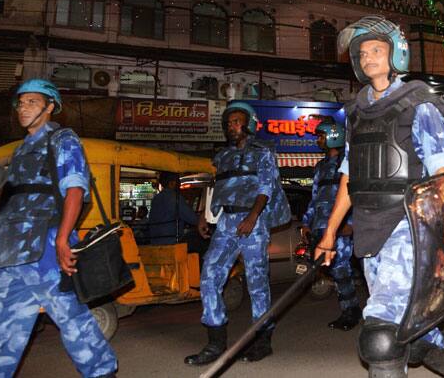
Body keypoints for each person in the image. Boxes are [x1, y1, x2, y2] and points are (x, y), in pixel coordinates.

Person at [315, 15, 444, 378]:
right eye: (361, 54)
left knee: (380, 334)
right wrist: (330, 232)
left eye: (377, 50)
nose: (368, 58)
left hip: (409, 225)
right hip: (368, 227)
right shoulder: (356, 113)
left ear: (396, 55)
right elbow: (349, 176)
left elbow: (440, 169)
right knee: (405, 320)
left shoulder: (418, 102)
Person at [0, 79, 118, 377]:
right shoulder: (18, 152)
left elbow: (75, 191)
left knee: (72, 319)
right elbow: (8, 204)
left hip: (45, 246)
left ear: (50, 106)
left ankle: (103, 373)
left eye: (31, 101)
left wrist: (64, 240)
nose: (22, 108)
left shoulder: (62, 139)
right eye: (20, 102)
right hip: (9, 253)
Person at [184, 101, 290, 366]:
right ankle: (215, 343)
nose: (232, 126)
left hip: (253, 221)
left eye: (237, 121)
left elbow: (266, 187)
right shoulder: (222, 156)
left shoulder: (263, 151)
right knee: (209, 276)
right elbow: (215, 188)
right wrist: (203, 215)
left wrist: (253, 217)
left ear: (249, 124)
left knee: (256, 282)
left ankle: (262, 340)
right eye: (229, 122)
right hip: (226, 222)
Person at [301, 121, 361, 331]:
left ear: (334, 136)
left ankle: (351, 312)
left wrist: (351, 224)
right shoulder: (321, 166)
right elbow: (315, 197)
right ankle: (350, 309)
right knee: (335, 271)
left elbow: (354, 195)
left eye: (321, 136)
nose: (318, 140)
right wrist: (307, 222)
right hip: (321, 225)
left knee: (341, 269)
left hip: (341, 226)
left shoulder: (348, 163)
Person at [148, 171, 199, 245]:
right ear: (172, 183)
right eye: (178, 181)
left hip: (155, 241)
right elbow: (192, 218)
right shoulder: (175, 198)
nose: (180, 184)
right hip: (171, 241)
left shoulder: (156, 198)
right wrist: (201, 220)